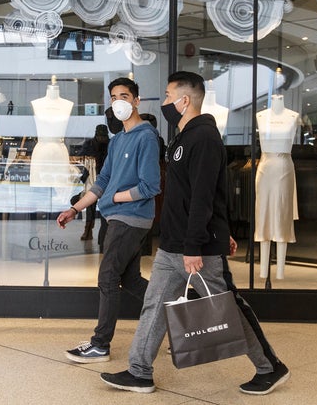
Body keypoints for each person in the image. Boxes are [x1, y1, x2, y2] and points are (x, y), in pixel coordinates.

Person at [100, 71, 289, 395]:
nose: (165, 102)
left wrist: (196, 244)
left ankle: (270, 366)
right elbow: (202, 194)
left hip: (196, 248)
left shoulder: (203, 138)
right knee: (154, 306)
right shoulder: (184, 138)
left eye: (168, 96)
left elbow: (204, 196)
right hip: (173, 244)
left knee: (228, 306)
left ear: (184, 100)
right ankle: (139, 371)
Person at [57, 77, 161, 363]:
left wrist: (114, 199)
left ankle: (100, 344)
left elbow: (150, 186)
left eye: (125, 96)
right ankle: (176, 317)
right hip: (118, 217)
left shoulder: (146, 136)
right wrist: (75, 209)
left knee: (107, 277)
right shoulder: (118, 140)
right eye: (114, 97)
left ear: (137, 101)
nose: (119, 102)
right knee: (130, 280)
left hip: (130, 218)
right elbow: (102, 182)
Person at [255, 93, 300, 280]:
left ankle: (281, 270)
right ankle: (263, 269)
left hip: (284, 164)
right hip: (265, 166)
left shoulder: (293, 116)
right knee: (263, 213)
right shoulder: (261, 116)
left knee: (281, 213)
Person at [77, 124, 109, 241]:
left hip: (106, 178)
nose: (102, 139)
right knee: (90, 206)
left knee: (106, 205)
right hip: (92, 177)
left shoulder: (111, 144)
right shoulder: (89, 144)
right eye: (100, 136)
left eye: (103, 136)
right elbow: (81, 158)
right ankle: (88, 230)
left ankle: (105, 231)